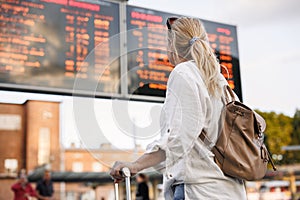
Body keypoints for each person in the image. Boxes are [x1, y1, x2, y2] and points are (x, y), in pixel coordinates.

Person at [110, 17, 247, 199]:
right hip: (231, 191)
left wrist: (136, 165)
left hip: (199, 191)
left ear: (172, 46)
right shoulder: (220, 82)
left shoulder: (183, 73)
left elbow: (179, 141)